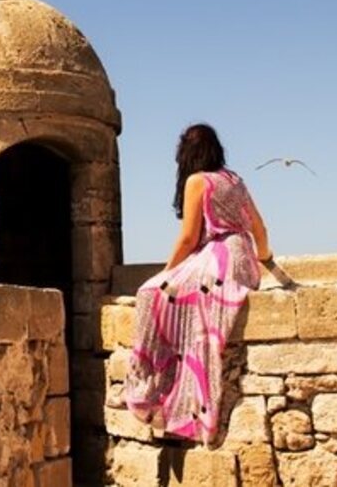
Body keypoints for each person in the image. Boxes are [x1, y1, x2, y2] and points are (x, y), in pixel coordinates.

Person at [120, 123, 296, 444]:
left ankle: (151, 387)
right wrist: (265, 260)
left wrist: (166, 273)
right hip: (243, 258)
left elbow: (188, 238)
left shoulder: (197, 181)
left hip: (218, 260)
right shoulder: (234, 180)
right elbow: (259, 227)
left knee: (150, 294)